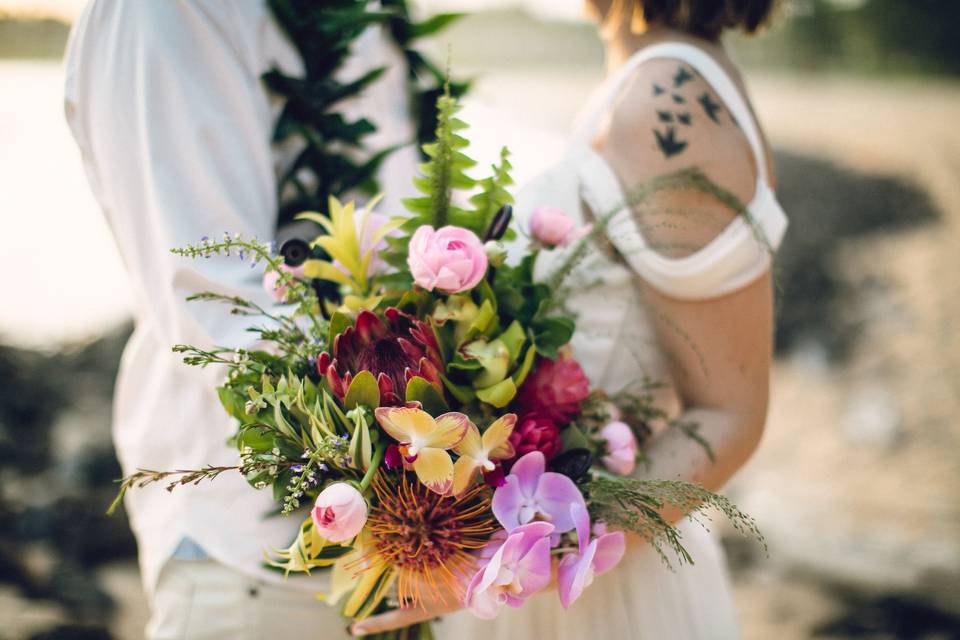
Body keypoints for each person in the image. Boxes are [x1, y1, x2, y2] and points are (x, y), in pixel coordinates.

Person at [354, 0, 786, 637]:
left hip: (601, 606)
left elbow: (730, 414)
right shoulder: (646, 80)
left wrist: (515, 559)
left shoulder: (672, 104)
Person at [63, 2, 417, 637]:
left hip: (400, 554)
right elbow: (216, 305)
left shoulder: (364, 17)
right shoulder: (166, 15)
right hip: (255, 558)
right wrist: (433, 455)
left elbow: (408, 245)